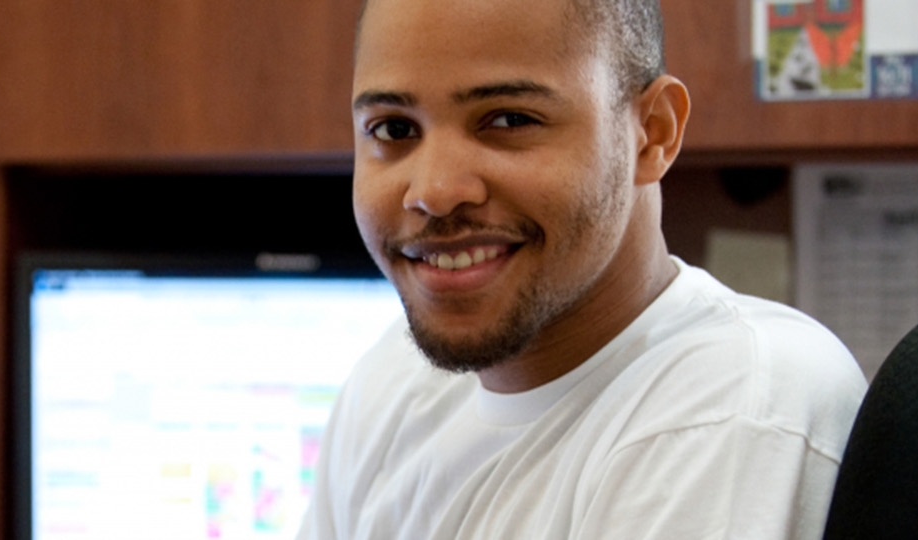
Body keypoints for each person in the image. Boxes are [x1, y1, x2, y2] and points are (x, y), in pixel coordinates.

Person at [298, 0, 868, 538]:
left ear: (654, 132)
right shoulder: (392, 381)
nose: (435, 192)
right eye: (394, 129)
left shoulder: (739, 397)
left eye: (508, 119)